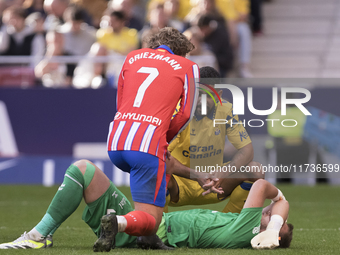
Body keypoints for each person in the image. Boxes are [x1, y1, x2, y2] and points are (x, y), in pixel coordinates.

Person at [0, 160, 293, 250]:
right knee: (84, 171)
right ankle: (119, 224)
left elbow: (262, 186)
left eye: (268, 215)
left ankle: (40, 236)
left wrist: (277, 213)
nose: (266, 210)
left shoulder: (247, 229)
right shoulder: (239, 226)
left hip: (151, 225)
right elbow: (256, 173)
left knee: (83, 170)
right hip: (154, 221)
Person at [101, 27, 199, 252]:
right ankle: (119, 222)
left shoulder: (132, 57)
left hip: (117, 140)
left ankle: (148, 239)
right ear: (180, 52)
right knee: (150, 220)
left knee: (157, 183)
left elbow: (120, 101)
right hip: (147, 145)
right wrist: (165, 137)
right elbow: (185, 113)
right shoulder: (188, 67)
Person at [165, 66, 262, 214]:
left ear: (218, 95)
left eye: (208, 96)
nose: (201, 101)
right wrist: (197, 175)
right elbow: (162, 157)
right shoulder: (177, 111)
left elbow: (247, 150)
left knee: (255, 170)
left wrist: (223, 172)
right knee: (154, 171)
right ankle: (160, 229)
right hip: (179, 184)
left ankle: (228, 226)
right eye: (197, 94)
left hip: (216, 184)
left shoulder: (226, 110)